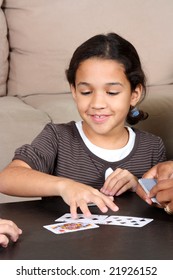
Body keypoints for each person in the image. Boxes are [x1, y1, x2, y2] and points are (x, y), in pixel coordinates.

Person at [0, 33, 166, 218]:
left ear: (134, 94)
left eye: (112, 92)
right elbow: (8, 178)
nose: (97, 103)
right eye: (86, 92)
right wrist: (64, 186)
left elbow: (161, 202)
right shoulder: (57, 137)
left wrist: (138, 185)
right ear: (74, 91)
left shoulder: (152, 147)